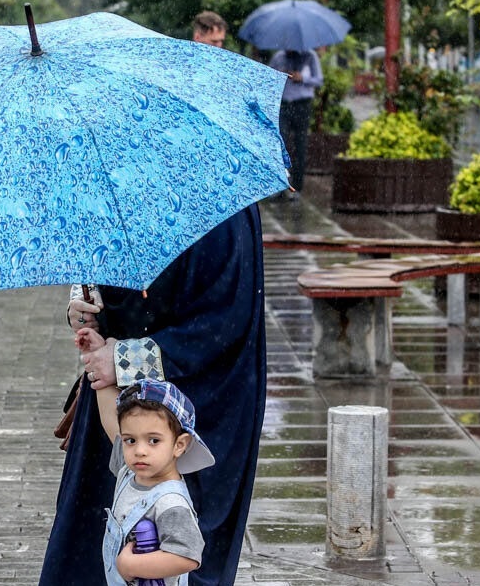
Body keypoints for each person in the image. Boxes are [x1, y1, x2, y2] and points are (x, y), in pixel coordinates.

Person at [41, 200, 268, 586]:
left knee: (173, 544)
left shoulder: (221, 205)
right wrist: (83, 307)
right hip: (112, 406)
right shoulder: (118, 184)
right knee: (91, 543)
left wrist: (124, 358)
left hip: (191, 407)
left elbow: (225, 320)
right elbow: (106, 276)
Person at [74, 334, 209, 586]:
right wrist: (98, 364)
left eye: (154, 440)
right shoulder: (129, 472)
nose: (140, 451)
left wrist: (131, 565)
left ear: (179, 444)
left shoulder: (171, 502)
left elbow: (187, 556)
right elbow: (111, 422)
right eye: (131, 440)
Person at [266, 47, 322, 198]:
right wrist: (280, 75)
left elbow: (319, 80)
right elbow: (268, 77)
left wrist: (302, 78)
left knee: (300, 144)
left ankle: (296, 187)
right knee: (279, 143)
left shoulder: (310, 56)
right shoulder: (279, 57)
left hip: (302, 104)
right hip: (283, 104)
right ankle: (278, 185)